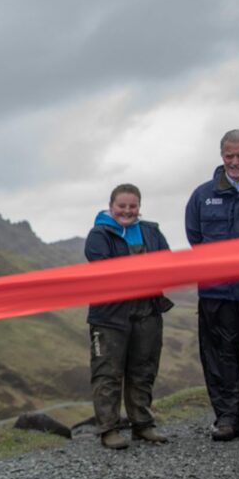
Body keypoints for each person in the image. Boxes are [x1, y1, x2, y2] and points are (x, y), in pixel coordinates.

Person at [185, 129, 239, 442]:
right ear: (222, 155)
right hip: (218, 292)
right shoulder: (202, 195)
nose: (235, 161)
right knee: (220, 355)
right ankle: (228, 417)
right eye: (229, 155)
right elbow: (196, 238)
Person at [85, 184, 173, 449]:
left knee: (143, 370)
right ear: (111, 206)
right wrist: (148, 270)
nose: (127, 211)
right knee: (107, 373)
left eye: (132, 206)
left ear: (139, 207)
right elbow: (108, 270)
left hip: (147, 311)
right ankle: (109, 430)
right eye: (121, 206)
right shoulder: (99, 234)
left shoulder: (151, 231)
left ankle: (142, 426)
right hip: (109, 315)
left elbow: (167, 262)